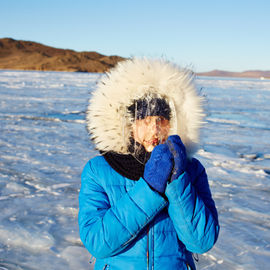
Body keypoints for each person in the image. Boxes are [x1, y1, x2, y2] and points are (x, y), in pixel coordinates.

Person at [79, 58, 219, 270]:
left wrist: (177, 182)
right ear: (128, 125)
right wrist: (150, 188)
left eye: (161, 120)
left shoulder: (191, 170)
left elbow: (201, 242)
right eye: (145, 121)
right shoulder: (99, 170)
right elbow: (98, 243)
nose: (154, 130)